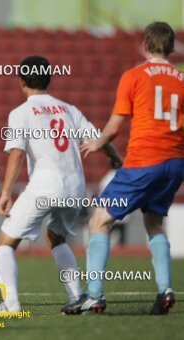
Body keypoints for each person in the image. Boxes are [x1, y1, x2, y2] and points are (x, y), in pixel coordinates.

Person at [63, 22, 184, 315]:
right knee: (154, 223)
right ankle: (165, 290)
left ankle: (94, 294)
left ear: (144, 45)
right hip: (175, 162)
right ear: (170, 47)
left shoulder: (133, 75)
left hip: (144, 161)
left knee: (99, 221)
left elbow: (115, 126)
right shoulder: (182, 79)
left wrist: (97, 143)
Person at [0, 56, 122, 314]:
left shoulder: (21, 112)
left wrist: (6, 192)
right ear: (49, 78)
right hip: (75, 186)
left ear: (22, 81)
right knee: (56, 237)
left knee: (5, 243)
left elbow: (15, 153)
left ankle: (11, 304)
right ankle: (76, 296)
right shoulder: (69, 109)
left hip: (45, 185)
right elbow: (99, 139)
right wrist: (116, 157)